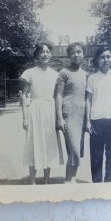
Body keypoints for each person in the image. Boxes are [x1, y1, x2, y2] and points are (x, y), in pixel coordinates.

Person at [20, 42, 63, 184]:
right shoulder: (29, 73)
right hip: (35, 110)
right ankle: (32, 180)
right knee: (33, 143)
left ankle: (46, 179)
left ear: (51, 54)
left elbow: (58, 96)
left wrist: (58, 117)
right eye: (41, 52)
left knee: (48, 143)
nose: (45, 54)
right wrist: (25, 117)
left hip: (50, 110)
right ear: (37, 55)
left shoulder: (56, 74)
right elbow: (23, 94)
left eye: (47, 52)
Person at [86, 46, 111, 183]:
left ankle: (110, 183)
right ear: (97, 60)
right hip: (96, 120)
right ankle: (97, 184)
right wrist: (88, 121)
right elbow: (89, 101)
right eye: (102, 57)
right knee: (96, 156)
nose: (105, 60)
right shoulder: (92, 78)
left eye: (108, 56)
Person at [56, 42, 87, 183]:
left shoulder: (86, 75)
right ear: (69, 55)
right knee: (73, 149)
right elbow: (58, 95)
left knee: (77, 150)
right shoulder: (64, 72)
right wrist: (59, 118)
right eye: (73, 52)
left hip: (82, 116)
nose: (76, 54)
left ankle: (70, 179)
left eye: (79, 52)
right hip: (68, 114)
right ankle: (70, 180)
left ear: (83, 54)